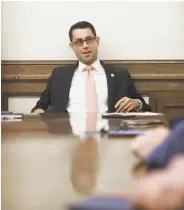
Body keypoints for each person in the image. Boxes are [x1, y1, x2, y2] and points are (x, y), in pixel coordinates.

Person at [31, 21, 151, 114]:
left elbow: (144, 106)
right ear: (72, 46)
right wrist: (40, 115)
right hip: (68, 135)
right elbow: (39, 108)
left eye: (89, 40)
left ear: (97, 41)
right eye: (79, 42)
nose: (85, 46)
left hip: (107, 134)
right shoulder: (59, 75)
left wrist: (136, 103)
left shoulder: (120, 74)